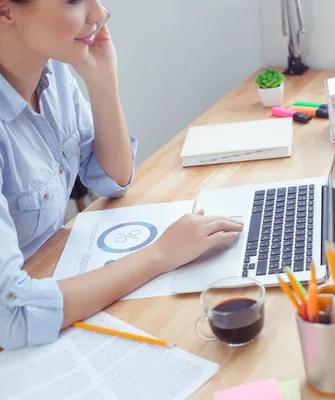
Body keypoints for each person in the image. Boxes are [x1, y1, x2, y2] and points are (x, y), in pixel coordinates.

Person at [0, 0, 243, 350]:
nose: (100, 13)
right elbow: (13, 315)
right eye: (73, 1)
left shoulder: (51, 69)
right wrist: (160, 255)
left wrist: (103, 82)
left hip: (51, 288)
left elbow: (109, 177)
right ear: (6, 11)